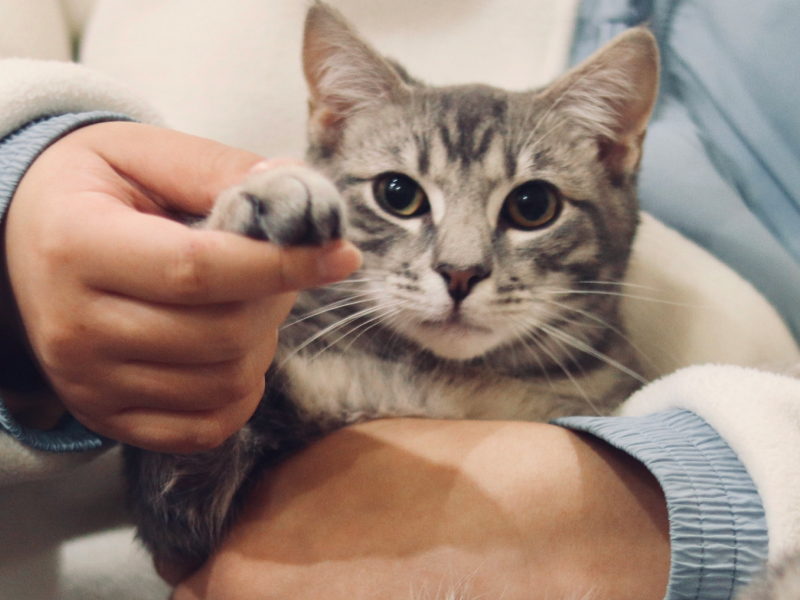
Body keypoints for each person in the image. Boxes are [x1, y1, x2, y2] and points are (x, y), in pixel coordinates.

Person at [2, 1, 800, 599]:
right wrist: (22, 184)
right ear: (330, 127)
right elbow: (178, 524)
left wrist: (679, 509)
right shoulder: (287, 347)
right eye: (399, 194)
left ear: (614, 153)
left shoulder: (635, 398)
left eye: (527, 208)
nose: (460, 267)